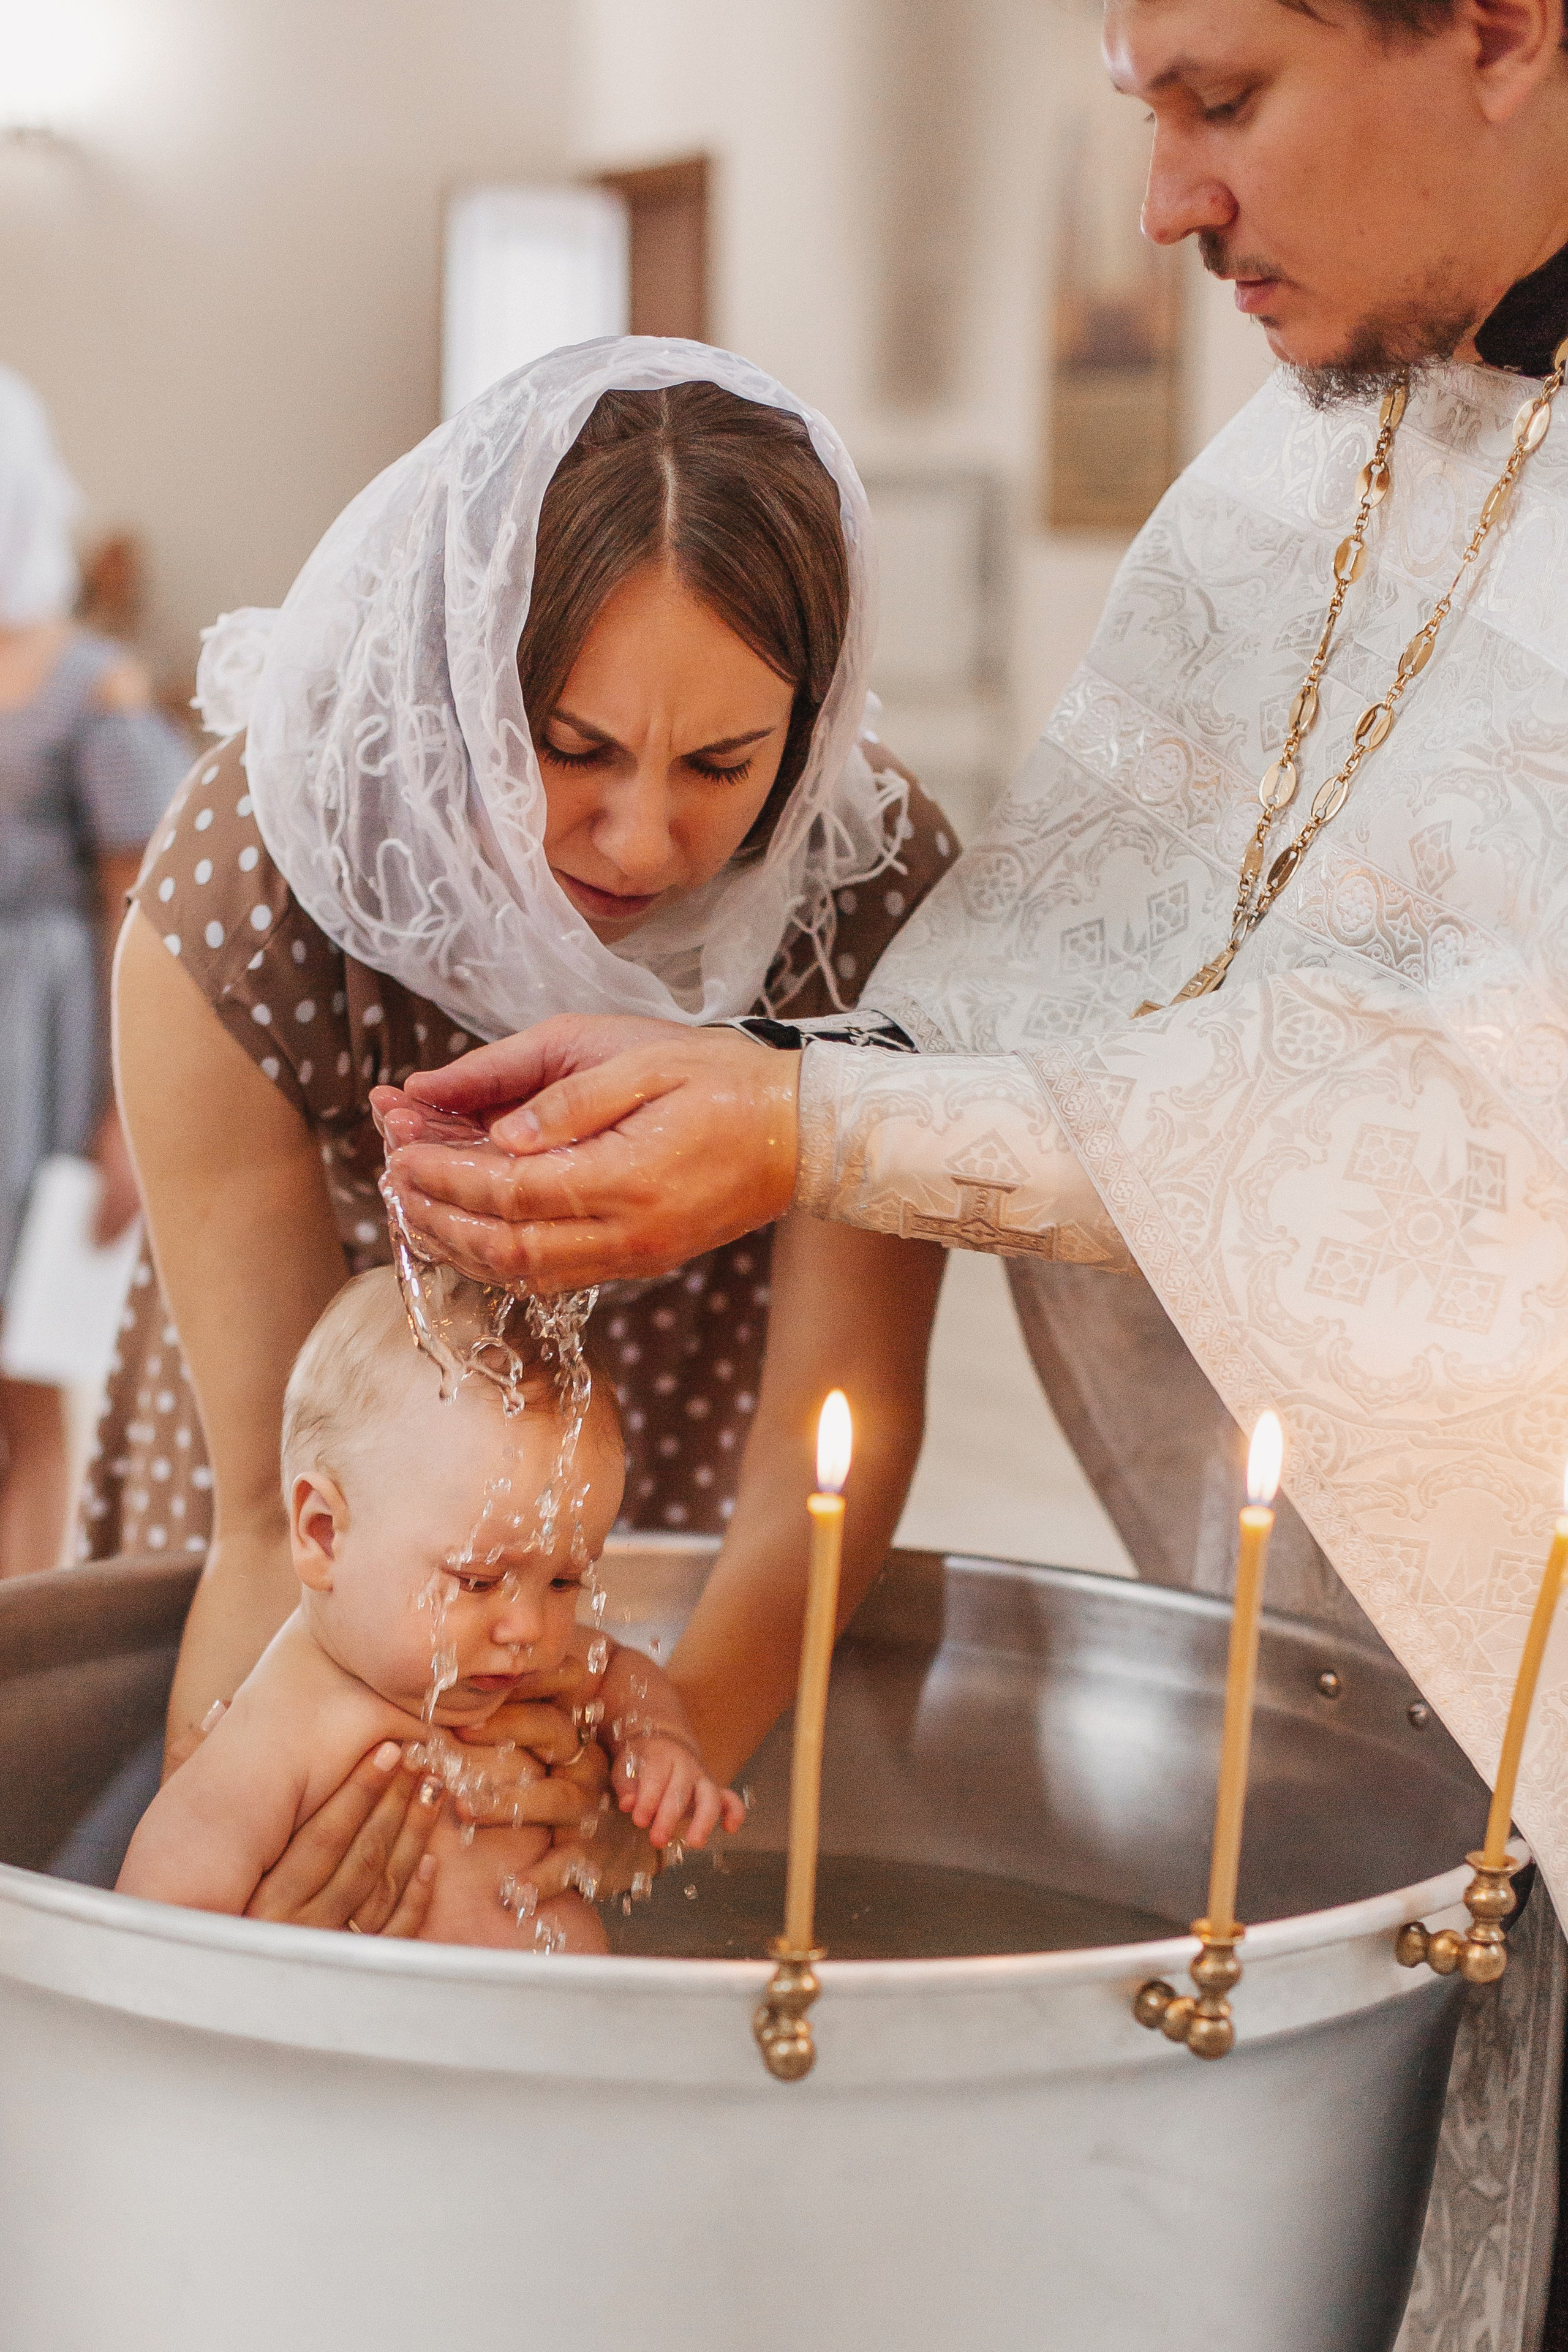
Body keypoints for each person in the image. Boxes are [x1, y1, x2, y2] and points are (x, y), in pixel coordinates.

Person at [376, 0, 1568, 2338]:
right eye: (1146, 108)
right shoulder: (1308, 446)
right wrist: (761, 1075)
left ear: (1505, 31)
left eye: (1222, 101)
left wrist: (822, 1125)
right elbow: (1087, 975)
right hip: (1376, 1647)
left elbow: (1480, 1111)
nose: (1163, 203)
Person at [104, 340, 956, 1928]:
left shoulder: (858, 898)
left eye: (722, 764)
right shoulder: (250, 885)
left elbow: (830, 1438)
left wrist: (648, 1773)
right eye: (570, 750)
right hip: (320, 1531)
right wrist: (252, 1898)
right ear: (460, 686)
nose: (641, 840)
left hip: (660, 1498)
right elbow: (269, 1507)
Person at [118, 1269, 741, 1948]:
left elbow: (617, 1670)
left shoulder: (503, 1665)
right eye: (475, 1579)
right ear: (323, 1535)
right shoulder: (275, 1740)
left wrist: (658, 1740)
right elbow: (151, 1941)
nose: (529, 1628)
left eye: (565, 1582)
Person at [0, 366, 186, 1578]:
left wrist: (128, 1116)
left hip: (38, 1058)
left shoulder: (90, 687)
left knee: (24, 1375)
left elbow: (140, 908)